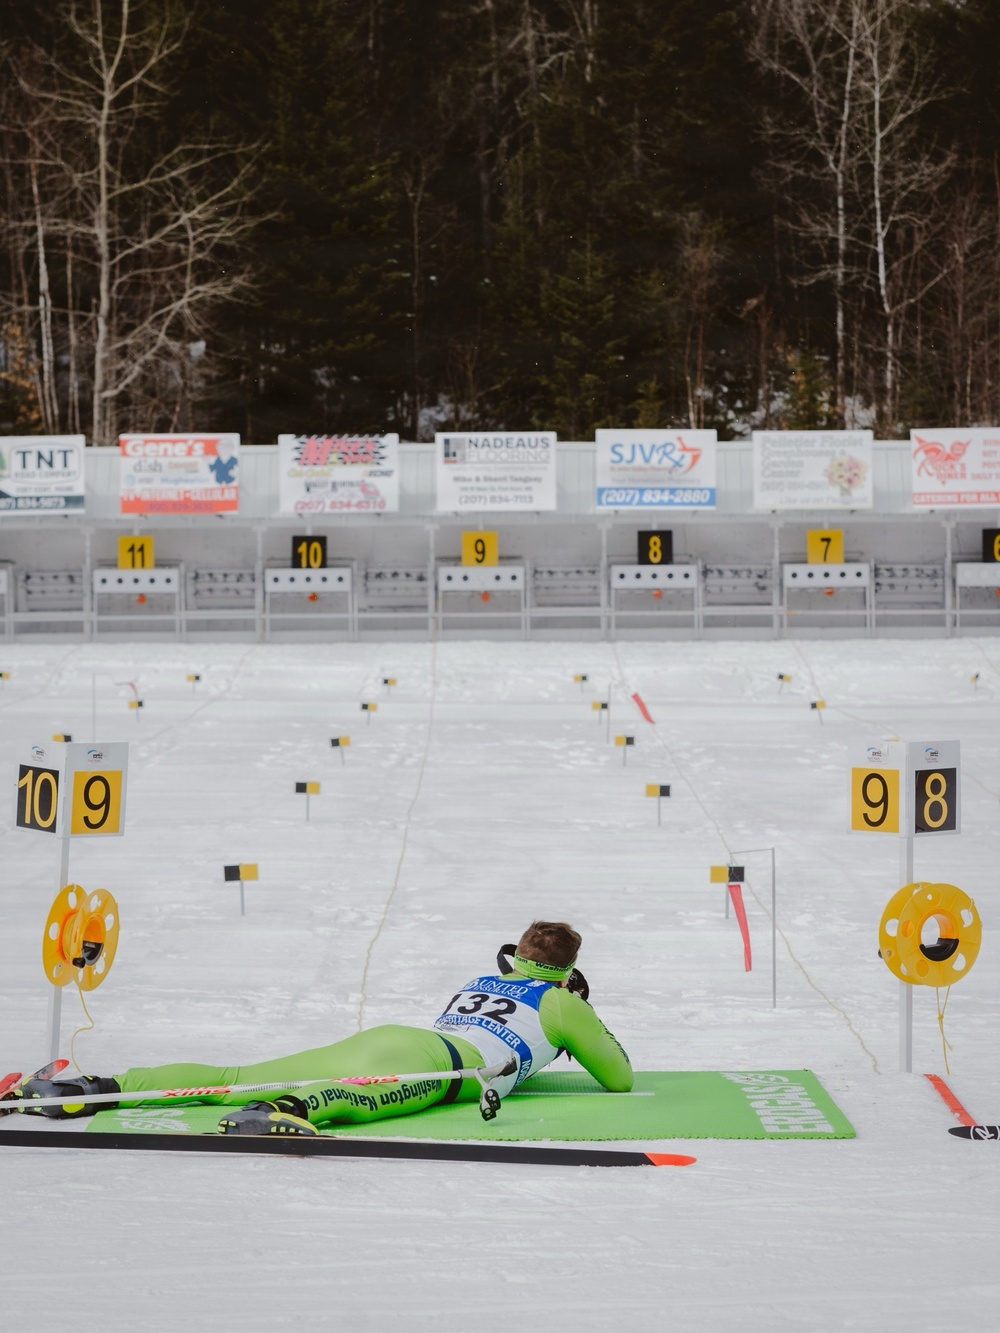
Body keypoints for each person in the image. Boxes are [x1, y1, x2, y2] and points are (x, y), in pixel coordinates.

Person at [14, 921, 632, 1136]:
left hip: (401, 1036)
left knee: (233, 1076)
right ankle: (286, 1108)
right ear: (566, 966)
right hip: (441, 1066)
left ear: (519, 952)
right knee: (365, 1097)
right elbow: (618, 1078)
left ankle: (94, 1085)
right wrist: (582, 1010)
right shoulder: (561, 998)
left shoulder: (485, 979)